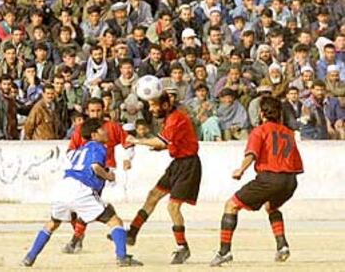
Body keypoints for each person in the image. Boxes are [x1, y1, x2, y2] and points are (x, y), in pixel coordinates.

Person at [21, 118, 143, 267]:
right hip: (81, 189)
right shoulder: (98, 147)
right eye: (101, 130)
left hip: (63, 188)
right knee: (114, 220)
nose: (105, 132)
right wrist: (108, 176)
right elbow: (95, 167)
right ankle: (122, 257)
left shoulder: (78, 150)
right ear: (94, 135)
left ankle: (30, 257)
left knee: (52, 223)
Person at [210, 96, 304, 266]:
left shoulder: (259, 131)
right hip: (290, 181)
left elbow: (252, 153)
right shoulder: (288, 133)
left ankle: (224, 252)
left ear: (261, 114)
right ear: (280, 114)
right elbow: (297, 165)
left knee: (231, 205)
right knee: (271, 206)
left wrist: (241, 169)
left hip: (270, 178)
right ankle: (282, 246)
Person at [121, 92, 202, 265]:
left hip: (188, 166)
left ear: (165, 105)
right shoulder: (171, 118)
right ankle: (132, 233)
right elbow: (173, 142)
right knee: (153, 196)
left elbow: (162, 141)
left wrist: (136, 140)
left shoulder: (175, 118)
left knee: (173, 207)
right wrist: (163, 147)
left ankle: (183, 247)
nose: (150, 109)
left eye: (153, 105)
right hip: (178, 163)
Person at [63, 97, 134, 253]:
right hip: (85, 175)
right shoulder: (82, 129)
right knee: (82, 209)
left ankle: (77, 240)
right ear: (87, 112)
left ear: (104, 110)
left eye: (98, 110)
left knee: (89, 208)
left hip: (103, 174)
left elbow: (128, 142)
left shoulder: (111, 127)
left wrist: (128, 158)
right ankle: (77, 239)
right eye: (92, 111)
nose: (95, 114)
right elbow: (70, 151)